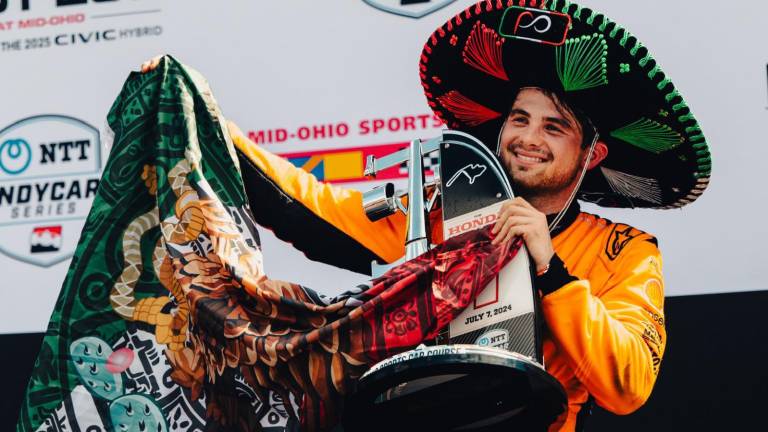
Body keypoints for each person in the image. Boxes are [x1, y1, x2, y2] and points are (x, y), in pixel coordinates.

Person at [140, 1, 711, 430]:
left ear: (593, 154)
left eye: (554, 126)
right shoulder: (445, 214)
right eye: (519, 118)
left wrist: (552, 268)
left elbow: (628, 384)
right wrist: (199, 115)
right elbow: (307, 209)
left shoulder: (627, 251)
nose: (528, 137)